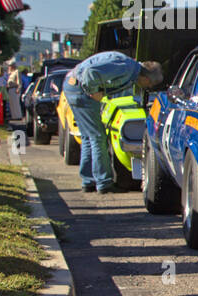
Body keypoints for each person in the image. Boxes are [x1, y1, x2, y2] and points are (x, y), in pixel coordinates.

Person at [62, 53, 163, 193]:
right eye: (150, 84)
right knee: (98, 137)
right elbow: (90, 72)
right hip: (80, 89)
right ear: (146, 77)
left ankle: (88, 181)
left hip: (72, 85)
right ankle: (103, 183)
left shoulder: (129, 68)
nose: (149, 87)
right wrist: (93, 92)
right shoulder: (125, 68)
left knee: (88, 136)